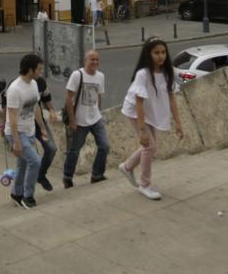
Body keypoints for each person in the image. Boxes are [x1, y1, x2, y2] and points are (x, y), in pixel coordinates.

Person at [119, 38, 183, 200]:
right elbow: (139, 103)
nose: (160, 56)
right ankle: (144, 185)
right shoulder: (143, 74)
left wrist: (178, 123)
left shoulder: (167, 73)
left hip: (150, 111)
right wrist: (142, 131)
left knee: (150, 146)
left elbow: (172, 99)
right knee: (149, 146)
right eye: (156, 52)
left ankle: (127, 167)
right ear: (149, 54)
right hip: (135, 111)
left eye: (163, 52)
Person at [62, 50, 108, 188]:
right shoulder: (77, 75)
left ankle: (97, 175)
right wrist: (72, 120)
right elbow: (68, 98)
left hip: (96, 119)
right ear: (85, 60)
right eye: (91, 59)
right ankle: (67, 176)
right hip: (80, 120)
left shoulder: (100, 76)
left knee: (104, 146)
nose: (94, 62)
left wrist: (98, 112)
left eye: (97, 60)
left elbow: (99, 95)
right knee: (74, 150)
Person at [5, 54, 45, 209]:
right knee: (35, 161)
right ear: (30, 70)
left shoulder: (34, 84)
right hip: (16, 132)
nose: (41, 72)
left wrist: (41, 127)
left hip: (29, 131)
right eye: (39, 69)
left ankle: (16, 193)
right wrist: (16, 141)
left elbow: (35, 108)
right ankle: (28, 196)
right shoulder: (15, 89)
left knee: (22, 164)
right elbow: (12, 117)